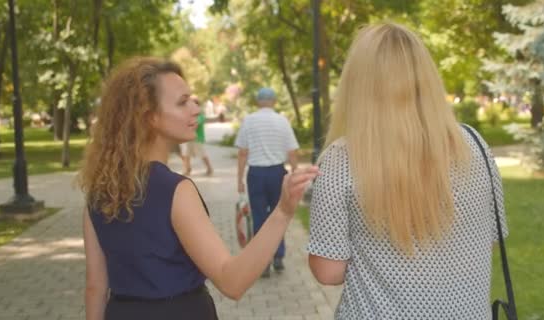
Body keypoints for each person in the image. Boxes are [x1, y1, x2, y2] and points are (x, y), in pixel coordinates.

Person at [79, 57, 319, 320]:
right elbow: (232, 281)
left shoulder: (100, 192)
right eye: (183, 102)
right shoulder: (175, 190)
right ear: (149, 117)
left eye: (192, 100)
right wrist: (283, 212)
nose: (196, 109)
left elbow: (95, 288)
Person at [307, 23, 508, 319]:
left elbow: (328, 270)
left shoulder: (343, 159)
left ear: (357, 84)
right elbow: (489, 240)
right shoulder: (475, 145)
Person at [235, 87, 300, 278]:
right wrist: (295, 174)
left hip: (256, 174)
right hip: (277, 173)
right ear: (273, 101)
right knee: (278, 215)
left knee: (259, 218)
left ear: (258, 102)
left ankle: (262, 264)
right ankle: (278, 257)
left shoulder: (249, 121)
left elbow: (242, 153)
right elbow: (292, 152)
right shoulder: (282, 121)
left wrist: (239, 179)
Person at [181, 95, 213, 176]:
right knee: (186, 154)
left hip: (197, 138)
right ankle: (187, 169)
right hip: (187, 138)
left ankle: (209, 168)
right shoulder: (188, 115)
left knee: (202, 154)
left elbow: (194, 126)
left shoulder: (200, 115)